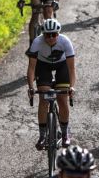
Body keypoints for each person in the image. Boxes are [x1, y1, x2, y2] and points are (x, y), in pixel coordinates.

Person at [26, 17, 76, 149]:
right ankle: (42, 136)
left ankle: (65, 134)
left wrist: (72, 87)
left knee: (62, 99)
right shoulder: (37, 42)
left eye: (54, 34)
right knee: (44, 98)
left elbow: (71, 68)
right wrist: (31, 87)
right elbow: (31, 68)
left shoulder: (65, 42)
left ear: (58, 34)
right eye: (48, 35)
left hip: (62, 66)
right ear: (43, 34)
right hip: (43, 66)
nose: (51, 37)